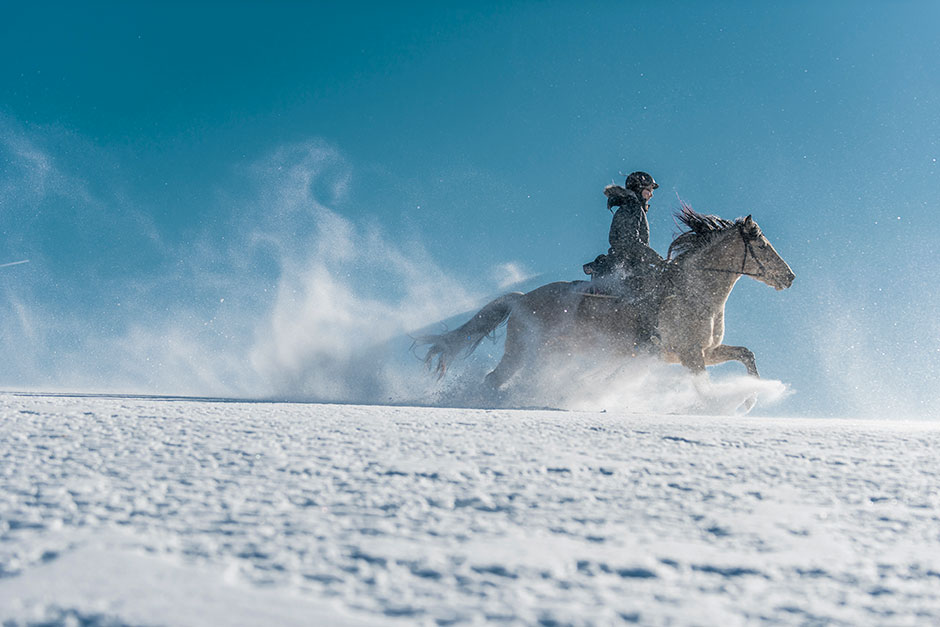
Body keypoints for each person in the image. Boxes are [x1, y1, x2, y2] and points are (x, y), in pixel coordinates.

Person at [583, 170, 665, 297]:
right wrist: (658, 260)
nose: (651, 195)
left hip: (627, 264)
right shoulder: (633, 207)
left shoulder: (632, 208)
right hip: (624, 267)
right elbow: (629, 241)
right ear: (639, 189)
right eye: (649, 190)